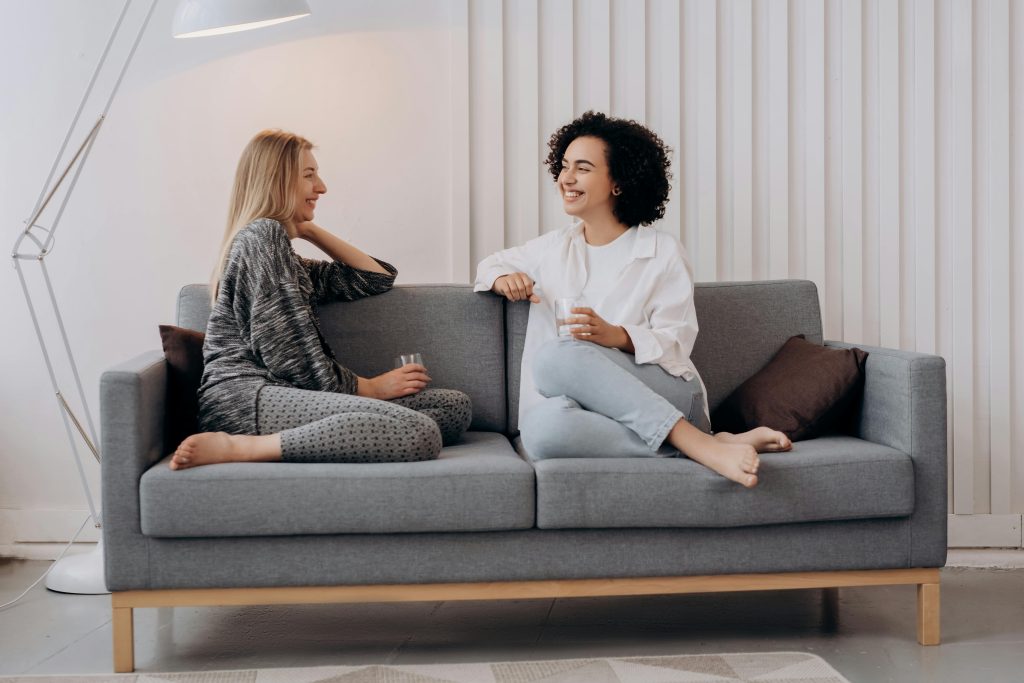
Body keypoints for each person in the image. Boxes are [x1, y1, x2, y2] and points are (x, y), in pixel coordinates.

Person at [474, 111, 789, 488]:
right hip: (588, 411)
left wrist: (617, 336)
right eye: (564, 166)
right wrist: (502, 277)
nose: (566, 178)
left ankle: (692, 436)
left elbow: (676, 343)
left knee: (557, 355)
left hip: (667, 394)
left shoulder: (662, 251)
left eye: (583, 168)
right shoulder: (552, 248)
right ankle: (701, 445)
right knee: (541, 429)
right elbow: (489, 264)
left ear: (618, 183)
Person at [171, 129, 471, 470]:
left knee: (453, 407)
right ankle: (240, 448)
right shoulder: (260, 238)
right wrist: (369, 388)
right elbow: (290, 355)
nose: (322, 187)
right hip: (246, 399)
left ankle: (328, 435)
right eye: (309, 176)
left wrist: (307, 228)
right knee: (419, 433)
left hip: (284, 394)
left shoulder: (286, 255)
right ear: (277, 180)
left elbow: (376, 279)